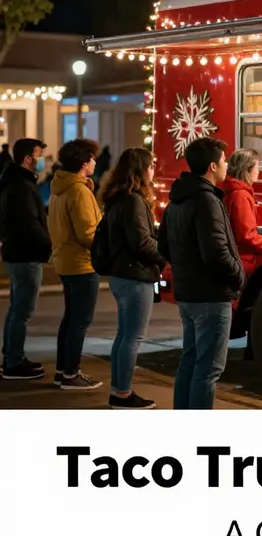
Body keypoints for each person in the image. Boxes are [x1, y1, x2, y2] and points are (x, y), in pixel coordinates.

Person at [157, 137, 245, 410]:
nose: (226, 164)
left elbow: (163, 246)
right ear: (211, 166)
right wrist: (239, 276)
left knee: (191, 359)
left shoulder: (176, 201)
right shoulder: (207, 201)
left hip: (188, 293)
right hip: (211, 295)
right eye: (223, 160)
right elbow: (217, 253)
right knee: (208, 369)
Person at [98, 148, 166, 410]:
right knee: (133, 337)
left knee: (124, 335)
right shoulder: (134, 201)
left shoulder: (117, 198)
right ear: (139, 169)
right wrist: (163, 256)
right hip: (135, 275)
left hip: (120, 273)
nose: (153, 170)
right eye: (150, 166)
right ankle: (123, 393)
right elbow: (142, 242)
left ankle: (119, 390)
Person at [48, 139, 103, 390]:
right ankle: (71, 373)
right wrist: (106, 248)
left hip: (65, 260)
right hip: (82, 263)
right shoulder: (79, 191)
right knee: (79, 320)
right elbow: (87, 232)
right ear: (84, 162)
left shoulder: (60, 187)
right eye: (93, 158)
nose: (95, 162)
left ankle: (63, 370)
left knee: (70, 318)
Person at [0, 138, 50, 380]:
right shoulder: (20, 185)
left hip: (18, 252)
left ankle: (13, 355)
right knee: (22, 310)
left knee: (17, 308)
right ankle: (13, 362)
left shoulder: (17, 181)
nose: (42, 160)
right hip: (25, 253)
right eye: (39, 155)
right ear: (28, 158)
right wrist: (47, 245)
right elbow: (29, 224)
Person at [220, 148, 262, 275]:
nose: (259, 170)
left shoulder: (232, 192)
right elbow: (247, 236)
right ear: (247, 169)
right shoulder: (241, 196)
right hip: (243, 261)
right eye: (257, 166)